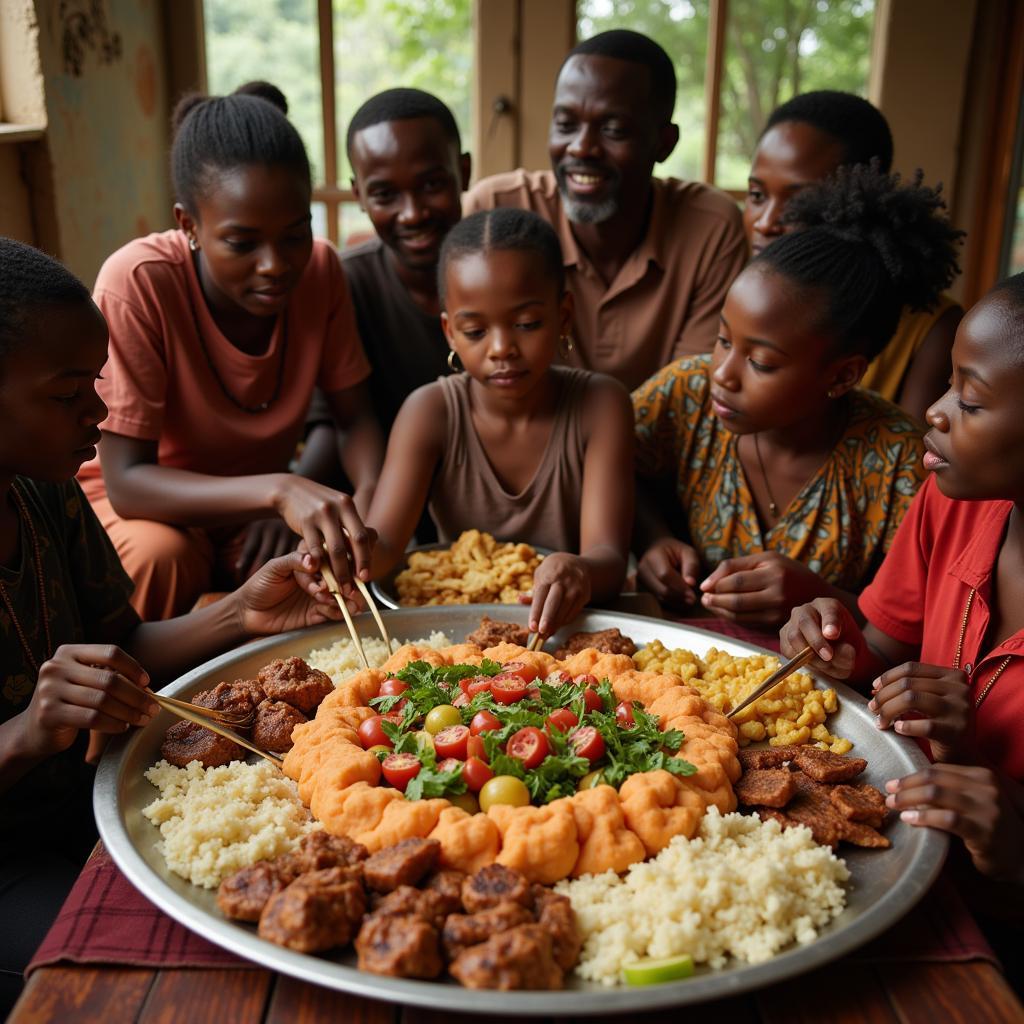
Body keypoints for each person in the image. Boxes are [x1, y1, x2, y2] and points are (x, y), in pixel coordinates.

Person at [0, 237, 347, 1013]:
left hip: (83, 810)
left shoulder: (44, 495)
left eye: (96, 382)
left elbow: (128, 647)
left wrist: (239, 613)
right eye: (66, 395)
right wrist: (25, 733)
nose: (99, 412)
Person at [779, 274, 1024, 978]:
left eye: (970, 402)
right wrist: (834, 639)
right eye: (949, 386)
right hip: (888, 873)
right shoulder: (954, 503)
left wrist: (1010, 838)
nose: (934, 415)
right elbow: (879, 651)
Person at [78, 82, 382, 620]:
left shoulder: (320, 270)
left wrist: (372, 505)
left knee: (315, 572)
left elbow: (353, 419)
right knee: (162, 559)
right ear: (188, 225)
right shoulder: (140, 280)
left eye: (294, 234)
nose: (276, 264)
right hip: (151, 509)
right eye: (243, 243)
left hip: (250, 511)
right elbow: (127, 483)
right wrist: (278, 492)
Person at [633, 164, 962, 628]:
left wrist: (821, 596)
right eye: (724, 340)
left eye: (761, 363)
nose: (722, 374)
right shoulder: (686, 393)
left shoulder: (896, 464)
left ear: (843, 376)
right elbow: (608, 459)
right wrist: (651, 536)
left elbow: (924, 620)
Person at [360, 208, 633, 637]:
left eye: (526, 324)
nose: (502, 348)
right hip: (449, 636)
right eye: (475, 332)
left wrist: (577, 568)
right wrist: (342, 548)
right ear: (449, 332)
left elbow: (609, 561)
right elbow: (387, 549)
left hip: (562, 635)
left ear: (564, 315)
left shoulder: (600, 405)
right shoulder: (430, 411)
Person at [464, 29, 746, 391]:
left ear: (664, 143)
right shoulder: (498, 209)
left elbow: (687, 398)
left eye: (614, 129)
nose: (581, 148)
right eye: (565, 125)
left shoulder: (710, 227)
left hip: (657, 444)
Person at [744, 90, 964, 422]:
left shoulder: (929, 329)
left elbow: (912, 459)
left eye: (797, 203)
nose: (764, 222)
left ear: (859, 201)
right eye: (757, 195)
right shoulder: (741, 286)